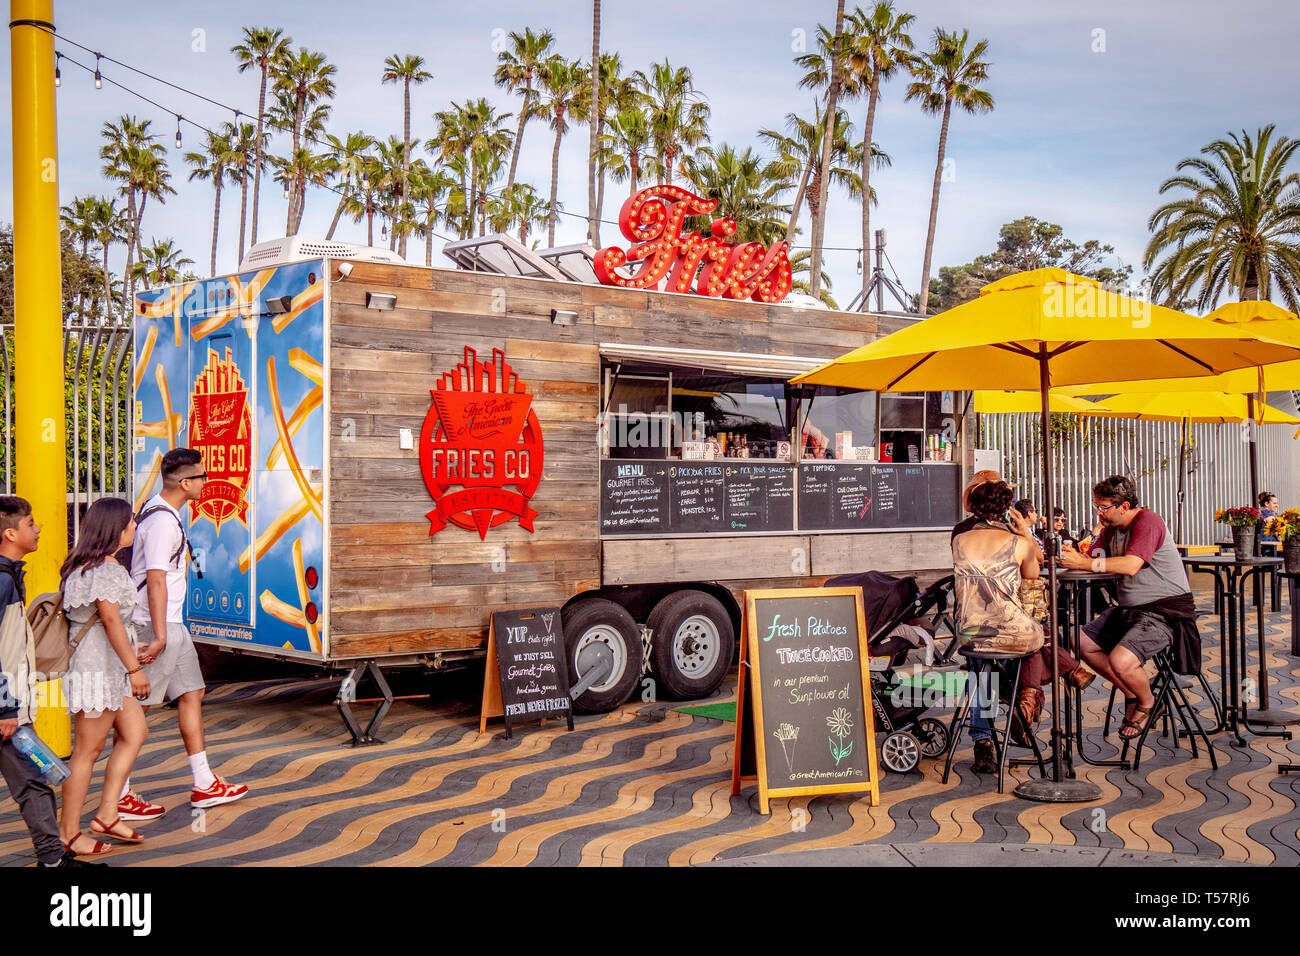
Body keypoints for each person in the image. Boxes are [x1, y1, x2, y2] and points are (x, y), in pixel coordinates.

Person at [123, 448, 247, 817]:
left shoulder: (159, 511)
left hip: (171, 623)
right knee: (135, 712)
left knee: (193, 692)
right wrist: (160, 636)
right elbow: (156, 580)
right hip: (155, 624)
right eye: (203, 477)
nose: (207, 482)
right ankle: (120, 794)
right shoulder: (161, 522)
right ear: (184, 482)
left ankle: (204, 783)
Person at [952, 481, 1093, 772]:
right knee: (1040, 635)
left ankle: (984, 741)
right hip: (1011, 632)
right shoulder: (1018, 542)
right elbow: (1032, 578)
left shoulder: (959, 539)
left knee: (983, 669)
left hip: (968, 633)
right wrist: (1025, 534)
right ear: (1007, 509)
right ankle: (1037, 691)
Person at [0, 497, 99, 867]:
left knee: (33, 784)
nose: (38, 528)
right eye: (30, 523)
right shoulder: (1, 581)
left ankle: (53, 858)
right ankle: (53, 860)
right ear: (10, 533)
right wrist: (7, 707)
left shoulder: (9, 576)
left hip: (8, 710)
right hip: (5, 712)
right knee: (32, 783)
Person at [1058, 474, 1196, 740]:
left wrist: (1086, 564)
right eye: (1097, 506)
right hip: (1129, 609)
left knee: (1120, 660)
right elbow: (1092, 557)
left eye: (1104, 507)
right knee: (1081, 642)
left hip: (1164, 610)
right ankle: (1132, 692)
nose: (1099, 512)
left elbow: (1132, 564)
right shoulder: (1110, 530)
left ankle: (1146, 701)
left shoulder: (1148, 521)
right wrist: (1072, 556)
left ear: (1124, 505)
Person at [59, 497, 151, 856]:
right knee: (87, 751)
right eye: (130, 522)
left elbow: (116, 625)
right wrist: (135, 668)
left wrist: (130, 655)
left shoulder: (85, 567)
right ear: (115, 528)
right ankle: (68, 832)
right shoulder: (106, 571)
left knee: (135, 731)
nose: (134, 527)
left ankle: (108, 813)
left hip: (108, 666)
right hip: (100, 669)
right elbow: (111, 621)